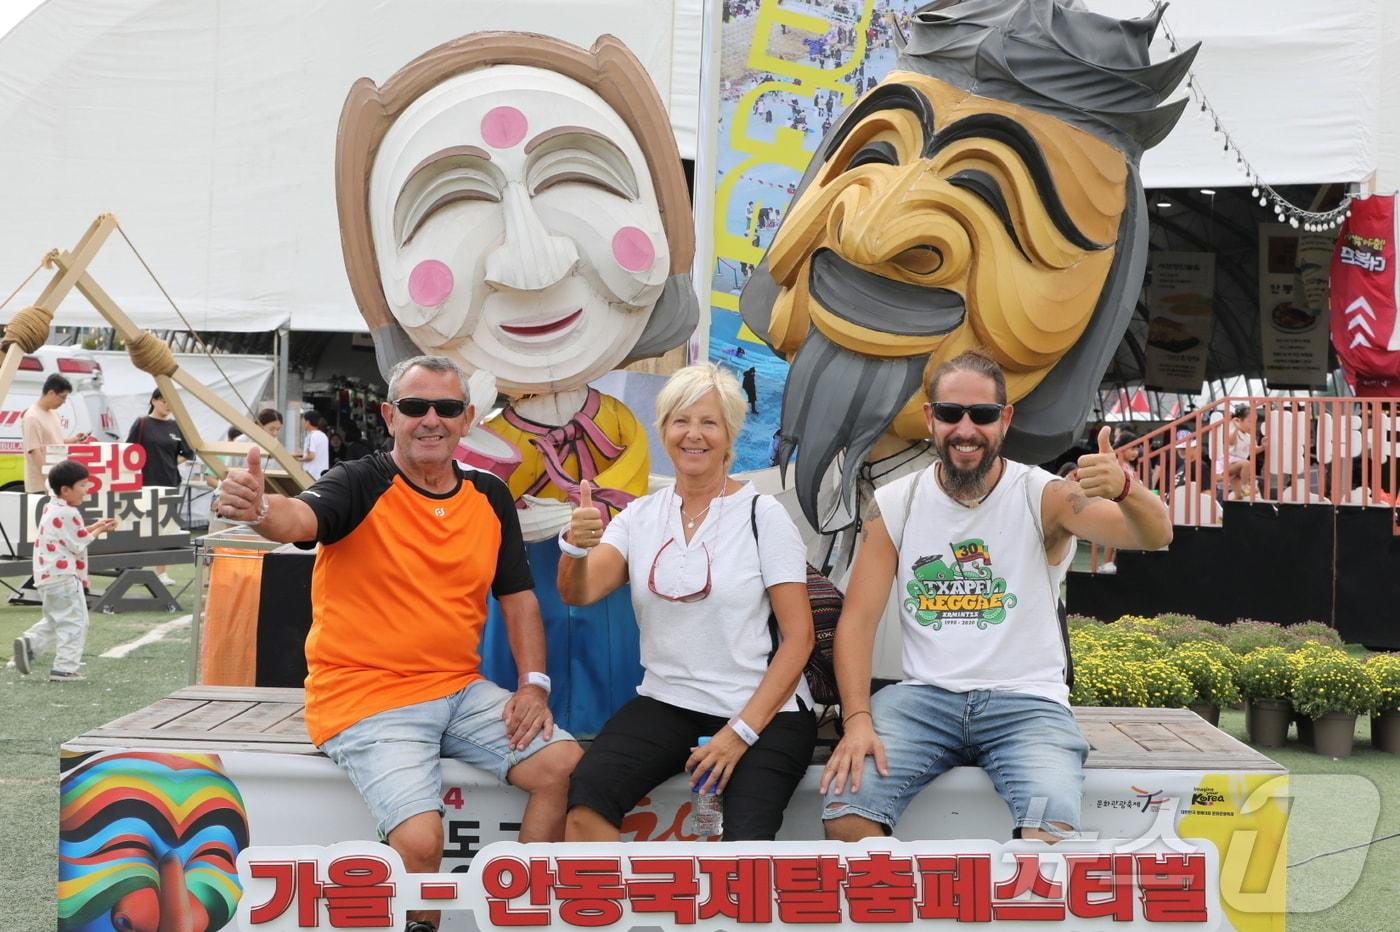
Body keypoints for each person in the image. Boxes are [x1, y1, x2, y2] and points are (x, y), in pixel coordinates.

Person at [217, 355, 581, 932]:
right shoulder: (359, 481)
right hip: (366, 697)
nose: (430, 419)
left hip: (459, 689)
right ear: (390, 415)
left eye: (447, 407)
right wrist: (260, 507)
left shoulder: (488, 495)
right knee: (419, 841)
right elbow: (298, 520)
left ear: (468, 419)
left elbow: (519, 598)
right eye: (415, 407)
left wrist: (534, 685)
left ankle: (523, 918)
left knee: (562, 764)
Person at [820, 350, 1173, 843]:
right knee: (846, 815)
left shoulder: (1042, 495)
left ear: (1004, 420)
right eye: (950, 413)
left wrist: (1126, 488)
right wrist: (857, 719)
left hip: (1028, 703)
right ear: (930, 418)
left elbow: (1156, 535)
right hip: (924, 700)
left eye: (982, 415)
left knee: (1049, 835)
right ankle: (917, 909)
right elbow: (856, 622)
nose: (966, 428)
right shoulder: (896, 504)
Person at [557, 363, 817, 841]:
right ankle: (619, 913)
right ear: (663, 429)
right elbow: (581, 591)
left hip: (765, 710)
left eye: (709, 423)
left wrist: (738, 734)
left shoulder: (763, 514)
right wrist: (575, 547)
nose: (693, 435)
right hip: (667, 700)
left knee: (744, 850)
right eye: (681, 421)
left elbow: (799, 640)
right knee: (586, 804)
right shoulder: (639, 515)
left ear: (729, 434)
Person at [12, 460, 118, 681]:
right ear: (65, 490)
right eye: (82, 485)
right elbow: (77, 541)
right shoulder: (69, 512)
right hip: (63, 576)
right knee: (76, 621)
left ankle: (30, 643)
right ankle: (65, 668)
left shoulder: (52, 507)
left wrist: (97, 526)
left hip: (46, 576)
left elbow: (70, 535)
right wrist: (98, 530)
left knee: (56, 617)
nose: (86, 489)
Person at [127, 388, 194, 586]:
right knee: (139, 527)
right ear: (154, 400)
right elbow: (129, 451)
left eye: (171, 402)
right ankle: (134, 568)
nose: (168, 405)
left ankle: (161, 572)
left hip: (169, 482)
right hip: (143, 482)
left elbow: (188, 452)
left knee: (164, 528)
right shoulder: (142, 423)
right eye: (164, 400)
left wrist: (172, 462)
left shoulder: (176, 426)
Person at [21, 373, 89, 493]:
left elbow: (52, 441)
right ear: (51, 393)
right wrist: (50, 482)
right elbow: (35, 452)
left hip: (56, 483)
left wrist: (73, 440)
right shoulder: (32, 417)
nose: (63, 402)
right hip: (41, 486)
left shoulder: (53, 413)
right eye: (62, 397)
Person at [1217, 404, 1257, 500]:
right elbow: (1230, 441)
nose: (1252, 425)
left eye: (1254, 422)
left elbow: (1253, 451)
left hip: (1239, 468)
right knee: (1247, 464)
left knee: (1239, 496)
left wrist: (1263, 446)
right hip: (1228, 465)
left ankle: (1234, 504)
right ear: (1239, 421)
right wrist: (1236, 428)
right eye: (1250, 422)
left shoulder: (1250, 437)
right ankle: (1244, 486)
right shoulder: (1234, 432)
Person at [294, 411, 330, 480]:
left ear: (307, 422)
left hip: (311, 474)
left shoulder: (311, 436)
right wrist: (302, 454)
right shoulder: (323, 436)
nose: (303, 423)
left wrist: (299, 459)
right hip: (322, 475)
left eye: (304, 421)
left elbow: (311, 456)